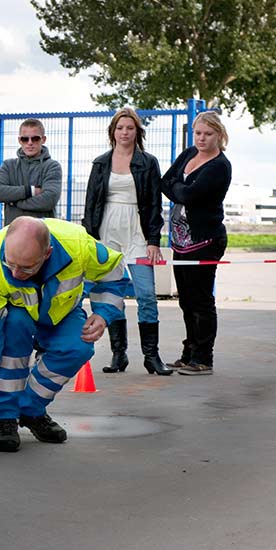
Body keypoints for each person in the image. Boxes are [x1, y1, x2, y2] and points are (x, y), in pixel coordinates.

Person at [0, 217, 128, 453]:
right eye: (10, 263)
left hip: (62, 312)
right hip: (19, 315)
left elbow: (114, 270)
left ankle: (30, 410)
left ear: (47, 253)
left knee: (78, 347)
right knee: (13, 335)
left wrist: (103, 314)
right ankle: (4, 418)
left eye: (26, 267)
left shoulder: (79, 245)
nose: (15, 272)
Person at [82, 107, 172, 376]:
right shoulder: (100, 163)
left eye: (129, 128)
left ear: (137, 132)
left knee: (146, 294)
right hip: (108, 231)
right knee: (112, 295)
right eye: (120, 128)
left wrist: (153, 239)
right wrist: (91, 239)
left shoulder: (148, 162)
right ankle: (118, 355)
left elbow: (155, 203)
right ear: (113, 132)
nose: (124, 132)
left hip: (138, 232)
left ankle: (151, 356)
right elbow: (90, 204)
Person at [161, 111, 231, 376]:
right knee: (186, 301)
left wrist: (179, 189)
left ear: (219, 135)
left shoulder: (219, 166)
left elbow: (188, 194)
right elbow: (165, 182)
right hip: (181, 242)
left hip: (205, 240)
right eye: (198, 133)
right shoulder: (189, 153)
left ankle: (204, 359)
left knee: (201, 301)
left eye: (208, 134)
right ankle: (189, 353)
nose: (201, 138)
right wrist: (180, 189)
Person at [0, 118, 62, 225]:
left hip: (42, 235)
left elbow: (49, 200)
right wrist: (30, 191)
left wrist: (15, 202)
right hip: (14, 233)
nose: (30, 143)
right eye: (25, 139)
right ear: (19, 140)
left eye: (35, 139)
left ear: (43, 139)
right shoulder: (9, 165)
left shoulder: (52, 166)